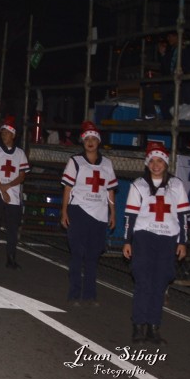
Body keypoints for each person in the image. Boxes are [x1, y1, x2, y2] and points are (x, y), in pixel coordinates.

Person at [122, 141, 190, 345]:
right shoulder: (139, 185)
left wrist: (183, 242)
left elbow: (184, 215)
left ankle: (154, 327)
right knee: (143, 282)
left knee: (160, 283)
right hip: (144, 237)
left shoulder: (176, 185)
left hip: (168, 239)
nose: (156, 165)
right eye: (152, 161)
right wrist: (128, 241)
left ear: (166, 163)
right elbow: (130, 216)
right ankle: (138, 326)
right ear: (147, 163)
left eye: (160, 160)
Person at [60, 121, 117, 305]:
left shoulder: (107, 164)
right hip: (79, 211)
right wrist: (64, 211)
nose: (90, 142)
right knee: (77, 254)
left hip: (99, 215)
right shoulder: (75, 161)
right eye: (87, 139)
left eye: (94, 138)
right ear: (83, 141)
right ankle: (73, 294)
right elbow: (68, 188)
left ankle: (90, 295)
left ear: (99, 141)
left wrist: (113, 212)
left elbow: (110, 191)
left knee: (93, 257)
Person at [0, 115, 29, 268]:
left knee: (12, 227)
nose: (4, 136)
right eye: (2, 133)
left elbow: (22, 176)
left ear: (13, 135)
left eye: (7, 133)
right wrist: (2, 189)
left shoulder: (20, 154)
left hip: (14, 195)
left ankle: (11, 258)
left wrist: (8, 186)